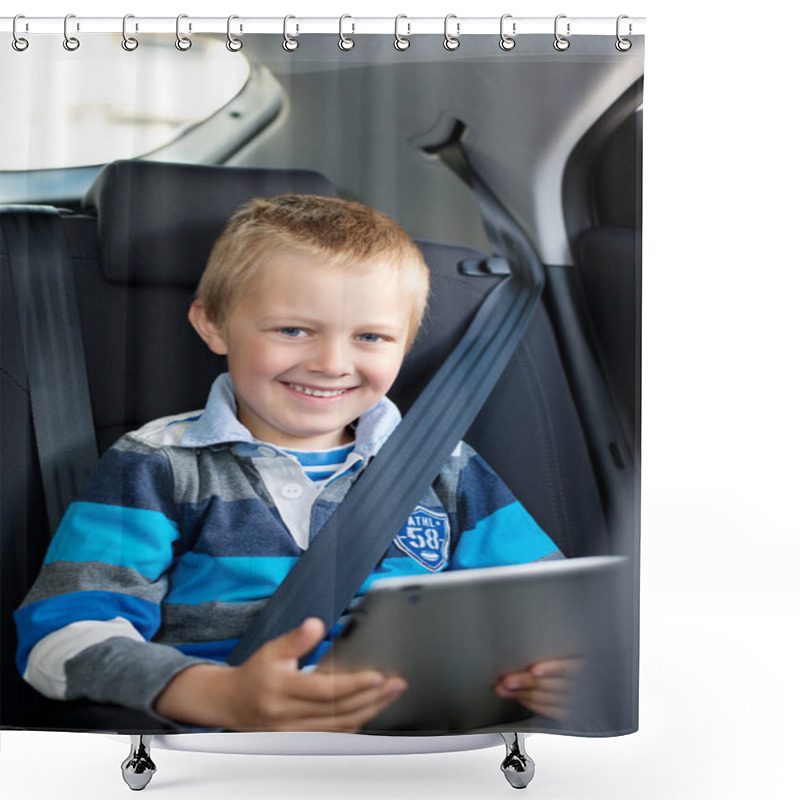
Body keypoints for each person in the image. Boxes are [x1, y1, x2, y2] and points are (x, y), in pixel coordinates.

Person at [15, 195, 577, 732]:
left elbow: (545, 608)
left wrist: (557, 668)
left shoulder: (445, 464)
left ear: (405, 344)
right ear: (213, 324)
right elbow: (62, 635)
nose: (332, 363)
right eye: (292, 330)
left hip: (426, 742)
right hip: (225, 747)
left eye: (371, 337)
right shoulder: (160, 464)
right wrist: (211, 693)